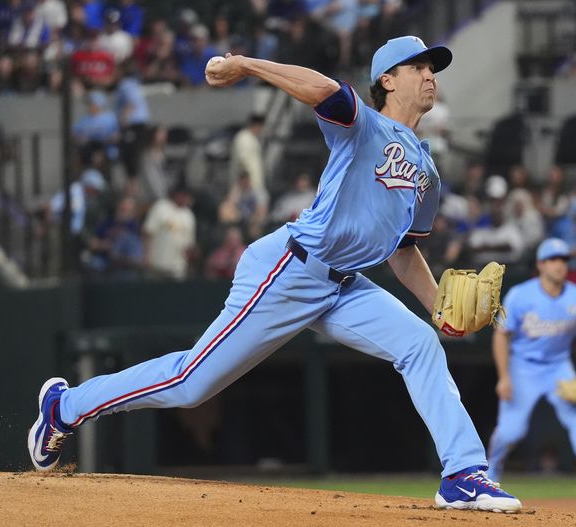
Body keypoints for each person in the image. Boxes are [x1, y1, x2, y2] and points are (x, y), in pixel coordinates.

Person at [27, 35, 523, 513]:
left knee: (420, 344)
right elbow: (323, 89)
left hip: (346, 286)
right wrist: (245, 64)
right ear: (387, 81)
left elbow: (403, 251)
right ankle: (66, 407)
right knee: (191, 383)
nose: (430, 76)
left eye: (432, 68)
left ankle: (463, 473)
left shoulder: (427, 170)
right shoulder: (362, 125)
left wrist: (438, 308)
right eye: (418, 67)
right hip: (291, 269)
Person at [487, 238, 576, 502]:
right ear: (540, 265)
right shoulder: (520, 295)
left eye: (564, 260)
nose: (559, 265)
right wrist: (503, 377)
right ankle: (491, 473)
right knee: (511, 431)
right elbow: (501, 335)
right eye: (553, 260)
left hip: (558, 367)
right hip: (523, 367)